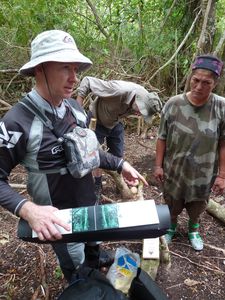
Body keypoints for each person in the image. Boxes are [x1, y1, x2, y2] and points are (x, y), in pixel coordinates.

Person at [0, 29, 148, 283]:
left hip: (88, 198)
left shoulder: (76, 109)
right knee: (75, 263)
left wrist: (121, 163)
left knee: (94, 239)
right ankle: (81, 281)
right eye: (64, 67)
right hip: (60, 216)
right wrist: (28, 210)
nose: (73, 78)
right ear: (40, 69)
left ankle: (96, 257)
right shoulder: (17, 122)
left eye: (76, 69)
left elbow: (87, 152)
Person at [154, 54, 225, 251]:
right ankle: (171, 227)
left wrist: (222, 175)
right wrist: (158, 166)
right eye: (195, 80)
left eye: (206, 82)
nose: (199, 86)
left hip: (203, 173)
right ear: (190, 78)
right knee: (172, 202)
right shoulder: (173, 104)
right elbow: (162, 137)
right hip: (175, 169)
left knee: (198, 204)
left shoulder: (221, 107)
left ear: (215, 83)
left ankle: (193, 229)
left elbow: (223, 143)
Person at [76, 76, 162, 199]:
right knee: (95, 156)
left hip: (115, 122)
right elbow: (87, 81)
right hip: (98, 119)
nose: (139, 114)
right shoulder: (117, 90)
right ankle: (97, 184)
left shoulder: (147, 98)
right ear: (137, 100)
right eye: (140, 110)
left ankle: (121, 184)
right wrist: (77, 111)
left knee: (118, 156)